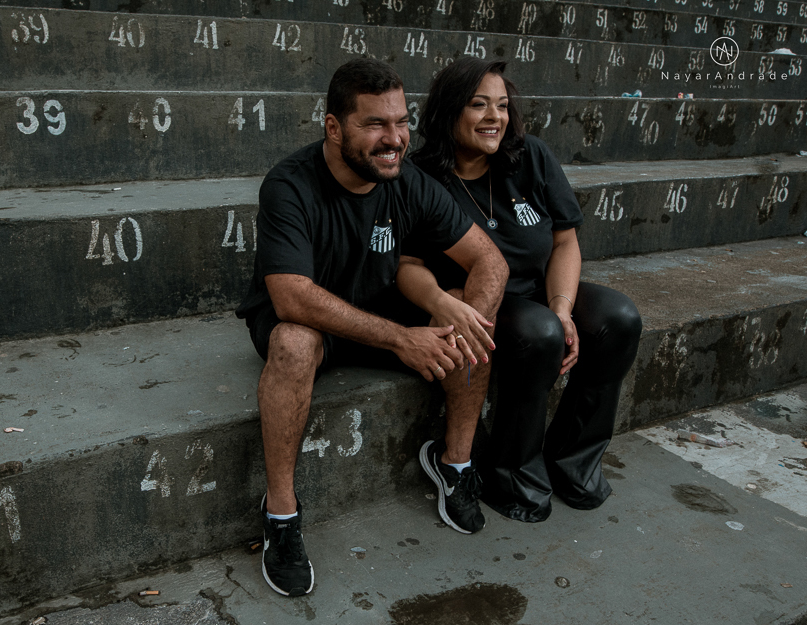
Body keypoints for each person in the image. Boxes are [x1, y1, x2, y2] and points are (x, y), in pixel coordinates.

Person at [236, 59, 508, 597]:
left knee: (466, 310)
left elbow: (491, 262)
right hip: (311, 322)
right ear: (334, 128)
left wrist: (461, 326)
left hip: (380, 311)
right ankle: (281, 516)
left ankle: (455, 464)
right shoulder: (289, 185)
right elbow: (291, 295)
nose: (395, 139)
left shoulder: (408, 182)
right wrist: (402, 338)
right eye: (375, 125)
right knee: (292, 343)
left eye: (402, 122)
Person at [399, 57, 643, 523]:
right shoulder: (422, 176)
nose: (495, 117)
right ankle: (510, 473)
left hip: (541, 291)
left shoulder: (530, 156)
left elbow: (565, 240)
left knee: (619, 319)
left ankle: (573, 462)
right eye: (479, 105)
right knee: (540, 333)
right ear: (450, 111)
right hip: (479, 302)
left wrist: (563, 307)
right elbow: (407, 264)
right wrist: (445, 302)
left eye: (503, 106)